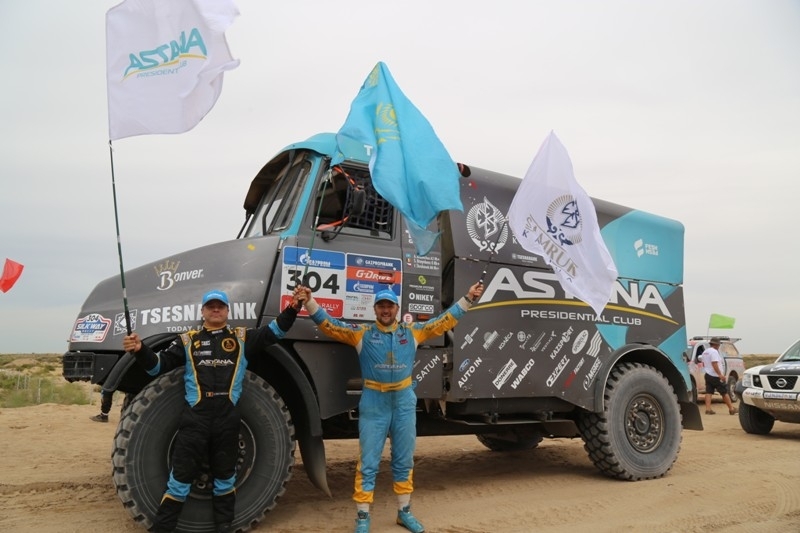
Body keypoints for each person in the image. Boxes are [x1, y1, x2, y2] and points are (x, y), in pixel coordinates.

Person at [295, 281, 485, 533]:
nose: (386, 310)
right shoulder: (362, 333)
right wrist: (309, 301)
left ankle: (404, 512)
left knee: (404, 460)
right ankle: (363, 516)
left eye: (390, 306)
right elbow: (329, 325)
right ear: (375, 309)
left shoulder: (412, 331)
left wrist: (468, 298)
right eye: (381, 306)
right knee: (368, 461)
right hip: (374, 403)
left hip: (404, 402)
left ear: (397, 309)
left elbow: (444, 321)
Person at [122, 289, 302, 533]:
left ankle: (224, 527)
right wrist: (140, 349)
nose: (215, 309)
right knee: (179, 480)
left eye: (220, 306)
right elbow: (157, 367)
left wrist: (293, 307)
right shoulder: (187, 340)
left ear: (227, 311)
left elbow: (276, 331)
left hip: (227, 420)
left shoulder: (241, 338)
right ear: (203, 311)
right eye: (210, 306)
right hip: (196, 419)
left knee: (225, 479)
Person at [703, 337, 738, 415]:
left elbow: (704, 363)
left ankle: (708, 409)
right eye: (718, 344)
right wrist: (720, 375)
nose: (719, 346)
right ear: (716, 344)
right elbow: (714, 363)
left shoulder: (705, 352)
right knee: (724, 392)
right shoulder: (714, 352)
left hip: (708, 374)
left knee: (709, 392)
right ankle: (731, 409)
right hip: (715, 376)